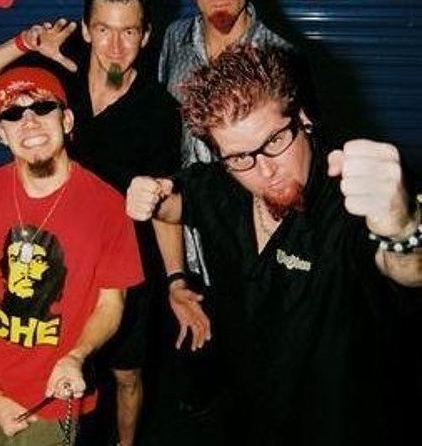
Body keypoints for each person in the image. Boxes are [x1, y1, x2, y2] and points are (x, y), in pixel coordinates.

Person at [126, 43, 422, 445]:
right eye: (239, 158)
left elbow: (407, 270)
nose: (265, 170)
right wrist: (150, 197)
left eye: (275, 140)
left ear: (303, 118)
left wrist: (403, 230)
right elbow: (174, 206)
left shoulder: (350, 198)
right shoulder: (221, 186)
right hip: (251, 418)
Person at [0, 0, 182, 446]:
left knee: (126, 374)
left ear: (146, 35)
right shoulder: (57, 70)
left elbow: (161, 203)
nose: (115, 46)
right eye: (104, 29)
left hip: (117, 254)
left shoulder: (157, 109)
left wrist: (177, 279)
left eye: (129, 31)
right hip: (47, 248)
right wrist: (24, 43)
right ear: (86, 28)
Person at [0, 66, 143, 445]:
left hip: (53, 400)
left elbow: (111, 304)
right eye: (13, 113)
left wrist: (76, 355)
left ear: (67, 120)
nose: (29, 122)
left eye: (43, 108)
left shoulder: (108, 207)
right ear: (1, 133)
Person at [157, 0, 294, 415]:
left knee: (260, 378)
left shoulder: (280, 53)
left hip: (251, 248)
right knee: (194, 375)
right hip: (185, 243)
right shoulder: (174, 40)